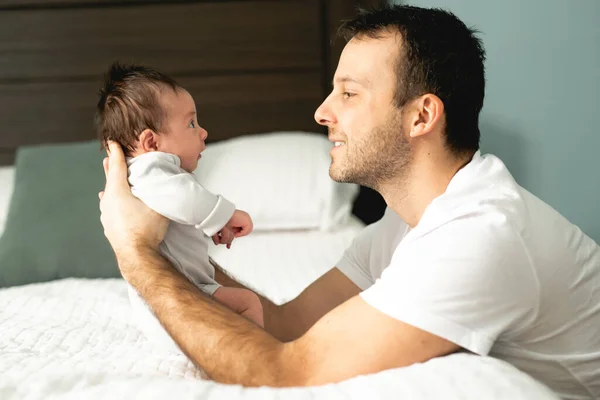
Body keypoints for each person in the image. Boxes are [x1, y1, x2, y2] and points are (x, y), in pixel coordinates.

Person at [98, 5, 600, 399]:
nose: (321, 112)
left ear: (421, 116)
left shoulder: (479, 233)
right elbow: (289, 325)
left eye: (349, 93)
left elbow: (285, 374)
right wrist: (169, 248)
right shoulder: (404, 226)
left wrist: (136, 254)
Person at [95, 63, 264, 349]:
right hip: (180, 296)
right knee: (247, 303)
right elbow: (183, 197)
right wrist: (224, 215)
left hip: (179, 293)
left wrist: (206, 226)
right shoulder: (151, 168)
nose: (203, 132)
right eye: (191, 123)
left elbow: (177, 211)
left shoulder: (148, 178)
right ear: (151, 141)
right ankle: (258, 353)